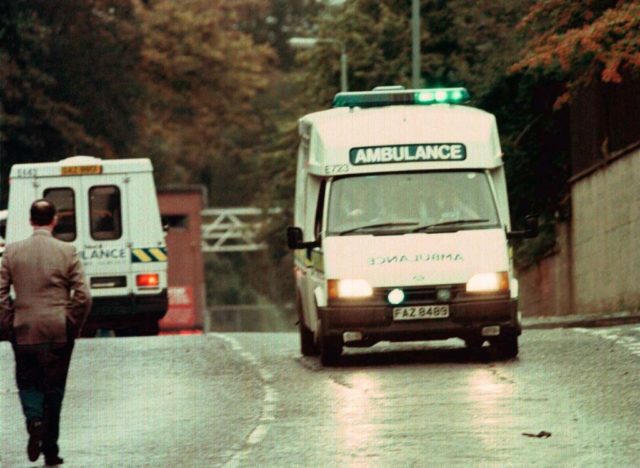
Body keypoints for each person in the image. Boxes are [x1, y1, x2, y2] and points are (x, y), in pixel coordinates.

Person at [0, 199, 91, 466]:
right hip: (57, 330)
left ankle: (34, 420)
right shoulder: (67, 251)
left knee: (28, 382)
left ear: (30, 221)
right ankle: (51, 450)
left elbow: (0, 294)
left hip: (24, 329)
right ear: (54, 220)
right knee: (54, 389)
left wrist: (9, 322)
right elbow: (84, 296)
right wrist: (70, 321)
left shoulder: (12, 253)